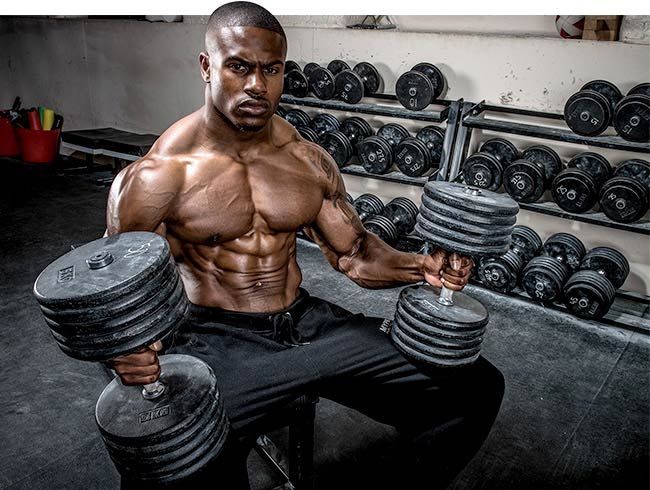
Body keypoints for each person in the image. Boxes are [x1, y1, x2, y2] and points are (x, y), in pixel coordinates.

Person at [106, 2, 504, 488]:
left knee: (473, 389)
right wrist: (126, 351)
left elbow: (354, 253)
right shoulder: (158, 175)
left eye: (271, 70)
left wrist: (420, 266)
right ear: (206, 66)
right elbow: (115, 293)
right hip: (216, 339)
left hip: (306, 323)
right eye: (239, 67)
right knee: (176, 464)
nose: (257, 85)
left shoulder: (305, 160)